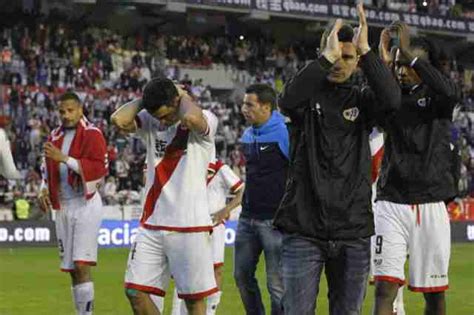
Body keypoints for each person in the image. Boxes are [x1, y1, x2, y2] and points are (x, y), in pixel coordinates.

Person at [273, 4, 401, 315]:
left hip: (352, 231)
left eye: (347, 57)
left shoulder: (361, 99)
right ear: (323, 52)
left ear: (357, 62)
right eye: (334, 55)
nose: (339, 63)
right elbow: (287, 100)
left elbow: (393, 101)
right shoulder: (306, 96)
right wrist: (324, 58)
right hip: (304, 230)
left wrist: (368, 52)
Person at [372, 21, 461, 315]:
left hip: (430, 203)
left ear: (424, 67)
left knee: (433, 296)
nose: (402, 70)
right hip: (390, 201)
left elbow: (450, 92)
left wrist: (411, 56)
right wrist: (384, 64)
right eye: (399, 66)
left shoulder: (439, 100)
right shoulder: (391, 97)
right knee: (385, 288)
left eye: (409, 65)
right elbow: (373, 98)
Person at [111, 78, 218, 315]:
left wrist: (182, 97)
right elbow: (118, 119)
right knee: (134, 292)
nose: (161, 121)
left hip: (189, 225)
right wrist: (147, 99)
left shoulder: (206, 118)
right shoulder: (152, 120)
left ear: (177, 101)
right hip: (152, 224)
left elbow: (190, 118)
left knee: (193, 301)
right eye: (156, 115)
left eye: (165, 114)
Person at [38, 92, 108, 315]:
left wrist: (64, 159)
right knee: (72, 269)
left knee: (81, 265)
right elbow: (46, 168)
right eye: (61, 111)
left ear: (80, 110)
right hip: (64, 206)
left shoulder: (93, 134)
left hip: (85, 203)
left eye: (70, 110)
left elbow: (99, 169)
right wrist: (43, 190)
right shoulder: (55, 135)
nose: (66, 115)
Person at [234, 83, 289, 315]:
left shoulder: (286, 133)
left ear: (266, 107)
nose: (243, 109)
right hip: (247, 219)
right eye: (244, 103)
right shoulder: (247, 134)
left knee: (277, 286)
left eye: (249, 104)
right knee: (241, 276)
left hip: (275, 221)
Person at [171, 158, 245, 315]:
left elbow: (241, 191)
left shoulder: (221, 168)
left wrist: (226, 210)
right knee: (185, 270)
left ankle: (211, 311)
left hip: (214, 226)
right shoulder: (188, 163)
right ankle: (177, 311)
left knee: (216, 269)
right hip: (190, 225)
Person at [368, 128, 405, 315]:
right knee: (386, 282)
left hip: (381, 213)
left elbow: (375, 170)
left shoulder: (379, 139)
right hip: (374, 212)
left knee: (387, 280)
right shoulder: (376, 139)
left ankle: (398, 310)